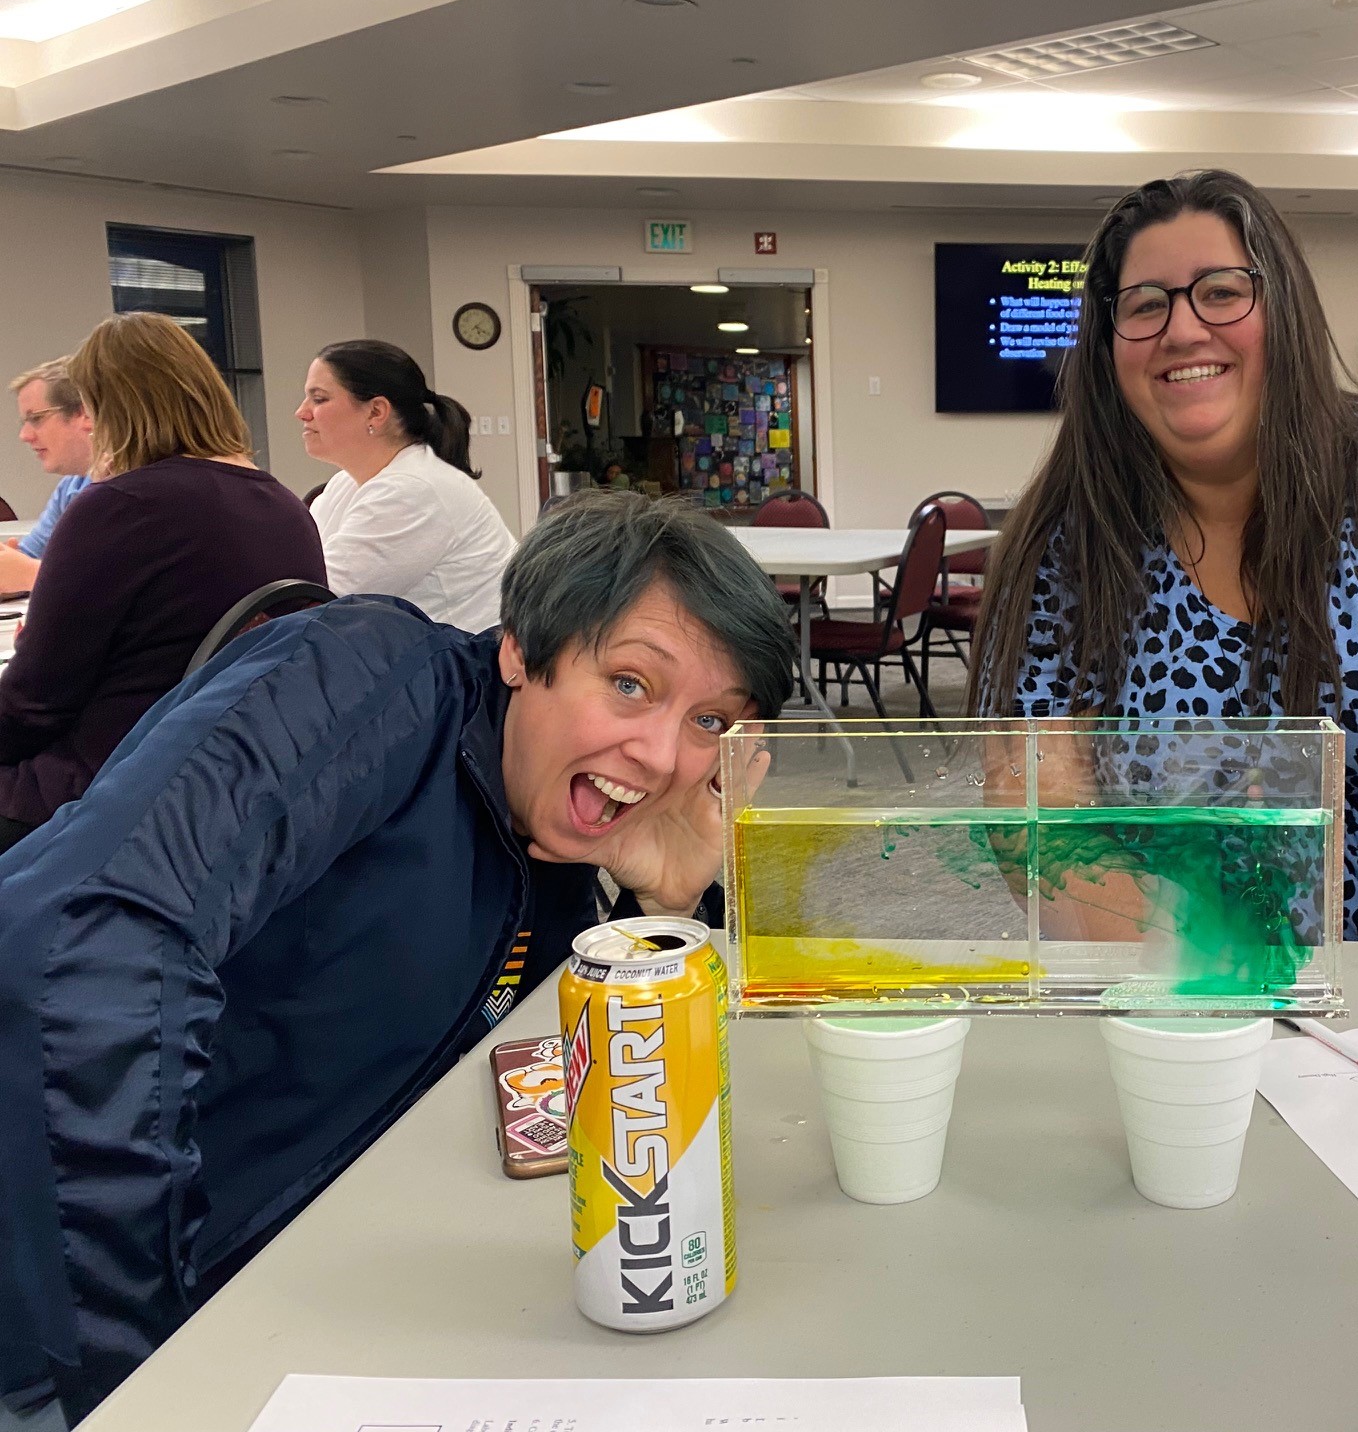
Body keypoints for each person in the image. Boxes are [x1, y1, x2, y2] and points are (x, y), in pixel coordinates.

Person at [0, 491, 794, 1421]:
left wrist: (666, 912)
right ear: (519, 649)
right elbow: (82, 950)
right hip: (70, 1330)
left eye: (710, 722)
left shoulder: (559, 838)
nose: (661, 755)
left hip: (303, 1287)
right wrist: (152, 1376)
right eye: (629, 683)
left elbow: (586, 1103)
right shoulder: (362, 676)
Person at [969, 168, 1358, 942]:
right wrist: (1221, 970)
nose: (1182, 329)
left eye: (1222, 292)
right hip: (1170, 983)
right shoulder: (1066, 545)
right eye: (1145, 305)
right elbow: (1036, 826)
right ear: (1107, 347)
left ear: (1283, 311)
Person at [0, 313, 323, 853]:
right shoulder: (284, 504)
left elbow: (34, 705)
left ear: (108, 408)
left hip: (111, 790)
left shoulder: (119, 507)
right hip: (234, 782)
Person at [300, 340, 517, 632]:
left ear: (376, 412)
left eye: (319, 399)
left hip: (467, 656)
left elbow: (315, 598)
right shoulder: (345, 484)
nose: (302, 412)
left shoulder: (414, 490)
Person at [0, 360, 95, 596]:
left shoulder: (138, 487)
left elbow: (120, 587)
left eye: (36, 419)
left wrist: (30, 574)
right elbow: (28, 558)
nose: (24, 435)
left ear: (83, 412)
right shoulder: (72, 487)